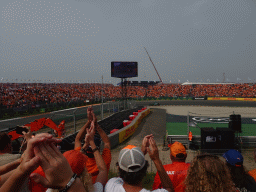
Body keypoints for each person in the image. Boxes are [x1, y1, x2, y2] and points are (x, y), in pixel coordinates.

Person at [105, 135, 174, 192]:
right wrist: (156, 159)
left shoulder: (111, 186)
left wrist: (142, 152)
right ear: (145, 169)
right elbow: (169, 188)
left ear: (118, 168)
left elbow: (123, 174)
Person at [75, 107, 111, 183]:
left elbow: (77, 139)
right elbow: (107, 142)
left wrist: (89, 122)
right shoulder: (104, 161)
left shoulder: (79, 161)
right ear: (98, 148)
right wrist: (96, 125)